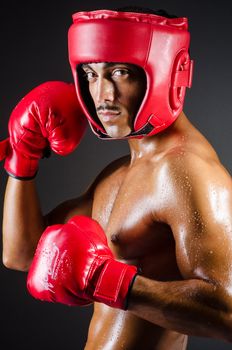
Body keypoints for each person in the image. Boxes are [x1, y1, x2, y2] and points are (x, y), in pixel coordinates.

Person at [1, 6, 232, 350]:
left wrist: (107, 281)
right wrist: (24, 157)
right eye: (91, 74)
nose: (102, 95)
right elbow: (22, 254)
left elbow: (228, 314)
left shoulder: (188, 171)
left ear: (169, 72)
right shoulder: (120, 172)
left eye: (121, 72)